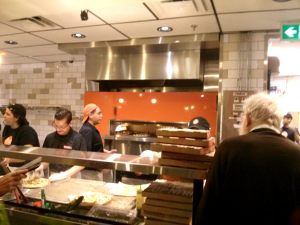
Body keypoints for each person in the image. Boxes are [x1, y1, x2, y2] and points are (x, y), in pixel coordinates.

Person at [196, 93, 300, 225]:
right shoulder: (297, 153)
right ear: (278, 121)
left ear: (248, 118)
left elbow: (209, 207)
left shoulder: (229, 148)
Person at [37, 108, 87, 181]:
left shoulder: (78, 138)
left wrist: (65, 174)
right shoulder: (50, 138)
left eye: (62, 127)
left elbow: (82, 163)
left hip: (73, 176)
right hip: (54, 175)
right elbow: (46, 159)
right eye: (56, 126)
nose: (58, 129)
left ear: (70, 123)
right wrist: (41, 166)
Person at [79, 104, 117, 181]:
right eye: (99, 113)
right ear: (90, 115)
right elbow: (86, 153)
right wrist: (101, 166)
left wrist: (107, 152)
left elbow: (94, 148)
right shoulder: (88, 131)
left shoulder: (91, 129)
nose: (101, 115)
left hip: (94, 170)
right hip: (90, 172)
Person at [1, 103, 39, 170]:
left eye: (8, 114)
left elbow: (26, 155)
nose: (4, 116)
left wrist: (9, 159)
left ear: (16, 118)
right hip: (10, 166)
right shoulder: (7, 128)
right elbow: (3, 145)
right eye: (4, 113)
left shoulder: (27, 131)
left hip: (27, 169)